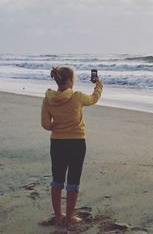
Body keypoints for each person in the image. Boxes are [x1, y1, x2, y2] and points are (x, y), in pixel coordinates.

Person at [41, 66, 103, 225]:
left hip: (57, 143)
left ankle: (58, 215)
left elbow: (46, 124)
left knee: (57, 180)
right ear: (69, 81)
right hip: (77, 142)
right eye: (74, 79)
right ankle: (69, 217)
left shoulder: (48, 98)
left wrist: (59, 127)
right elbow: (93, 99)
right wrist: (98, 84)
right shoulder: (77, 97)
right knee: (73, 180)